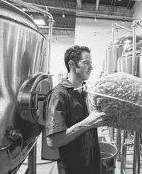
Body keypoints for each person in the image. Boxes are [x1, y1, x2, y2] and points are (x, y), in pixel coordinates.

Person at [45, 45, 109, 174]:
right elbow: (52, 141)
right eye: (86, 63)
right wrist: (88, 123)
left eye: (91, 63)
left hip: (92, 164)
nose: (91, 67)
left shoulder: (84, 92)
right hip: (73, 168)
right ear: (72, 64)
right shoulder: (59, 95)